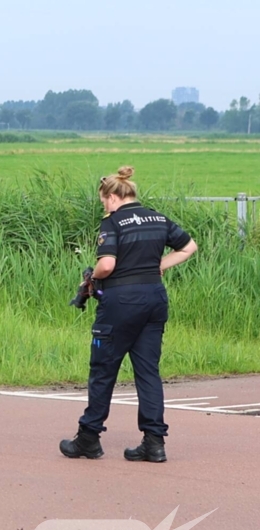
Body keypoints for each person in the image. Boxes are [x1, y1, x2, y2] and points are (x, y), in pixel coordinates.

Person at [60, 166, 198, 463]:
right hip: (154, 298)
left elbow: (107, 264)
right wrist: (159, 265)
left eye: (103, 201)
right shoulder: (158, 218)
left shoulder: (112, 222)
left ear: (112, 197)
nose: (104, 206)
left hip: (120, 302)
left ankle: (88, 438)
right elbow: (189, 247)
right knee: (148, 371)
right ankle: (154, 443)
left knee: (103, 369)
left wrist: (92, 278)